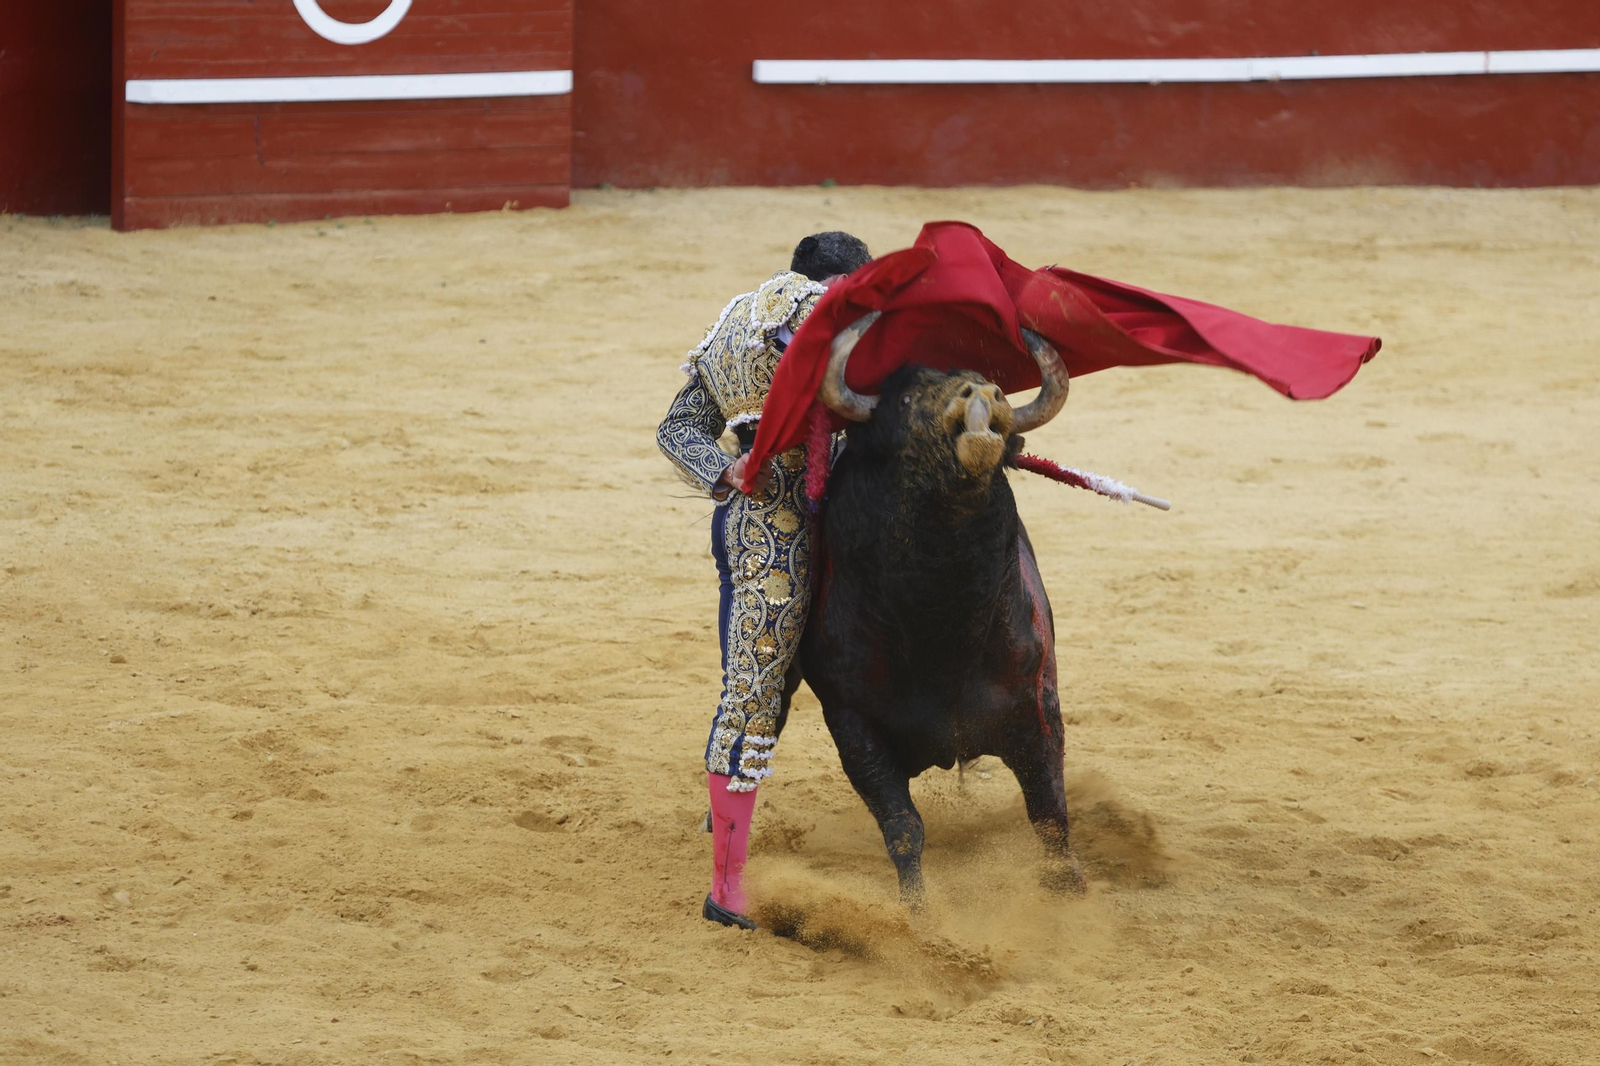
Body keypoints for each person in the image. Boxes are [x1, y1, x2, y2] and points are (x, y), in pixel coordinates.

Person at [657, 231, 871, 929]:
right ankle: (726, 888)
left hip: (751, 518)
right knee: (753, 694)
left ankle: (725, 830)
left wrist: (726, 469)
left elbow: (677, 426)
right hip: (799, 521)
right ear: (848, 279)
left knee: (750, 686)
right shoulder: (832, 311)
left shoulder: (735, 323)